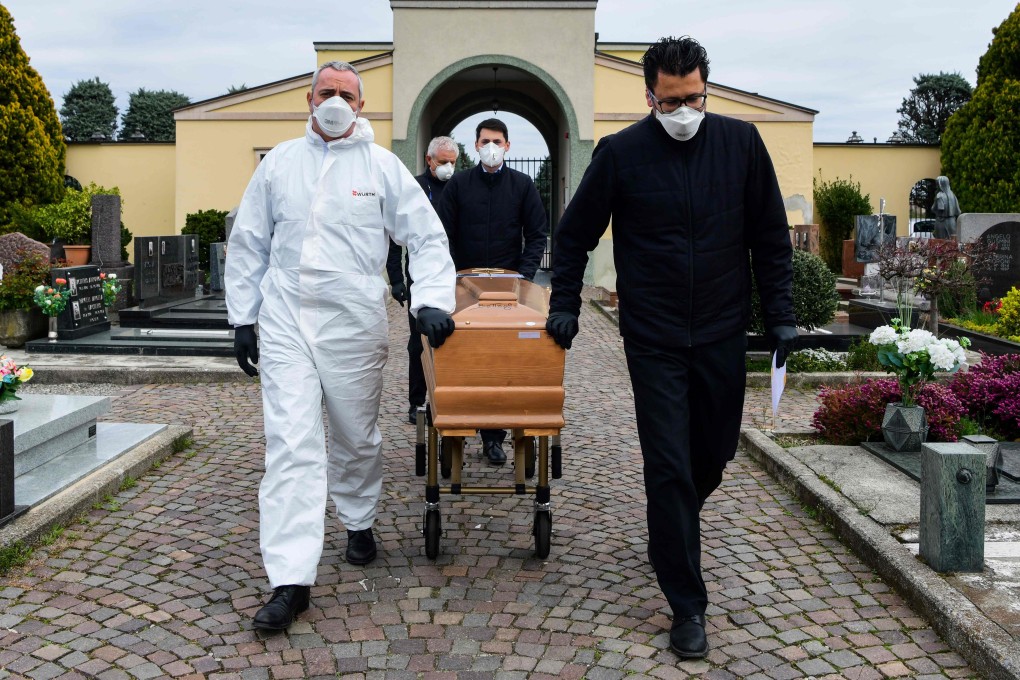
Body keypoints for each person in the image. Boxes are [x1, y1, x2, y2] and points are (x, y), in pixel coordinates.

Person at [544, 36, 797, 660]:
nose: (684, 110)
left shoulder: (741, 145)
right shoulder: (621, 153)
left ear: (706, 89)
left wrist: (783, 316)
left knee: (710, 456)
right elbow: (573, 235)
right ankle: (687, 603)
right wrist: (565, 304)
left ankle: (676, 518)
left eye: (695, 98)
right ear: (649, 95)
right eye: (671, 100)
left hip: (721, 327)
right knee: (667, 464)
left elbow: (769, 235)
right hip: (653, 335)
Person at [225, 60, 457, 631]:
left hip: (353, 322)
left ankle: (358, 517)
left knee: (356, 434)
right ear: (309, 100)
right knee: (291, 445)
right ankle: (290, 578)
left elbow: (425, 235)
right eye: (325, 91)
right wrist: (243, 317)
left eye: (345, 94)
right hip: (285, 319)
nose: (334, 100)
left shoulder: (381, 168)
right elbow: (250, 239)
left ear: (360, 106)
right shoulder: (279, 164)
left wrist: (431, 300)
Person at [435, 117, 548, 465]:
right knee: (461, 357)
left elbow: (537, 235)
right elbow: (442, 233)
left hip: (507, 285)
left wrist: (523, 276)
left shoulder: (522, 185)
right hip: (463, 284)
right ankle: (455, 429)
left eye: (497, 141)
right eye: (485, 140)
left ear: (508, 146)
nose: (491, 147)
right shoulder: (459, 185)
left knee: (500, 359)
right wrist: (451, 275)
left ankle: (494, 436)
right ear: (476, 143)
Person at [387, 136, 460, 424]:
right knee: (418, 342)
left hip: (454, 275)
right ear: (429, 160)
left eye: (453, 162)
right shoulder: (414, 187)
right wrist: (396, 279)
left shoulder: (459, 187)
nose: (448, 168)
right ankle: (416, 401)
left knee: (453, 340)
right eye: (443, 162)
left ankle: (446, 399)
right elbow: (395, 238)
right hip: (419, 279)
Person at [932, 175, 961, 240]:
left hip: (941, 222)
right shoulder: (953, 195)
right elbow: (958, 211)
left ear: (940, 185)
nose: (936, 186)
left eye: (937, 184)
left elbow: (940, 208)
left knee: (941, 242)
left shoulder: (939, 195)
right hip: (952, 222)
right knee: (953, 241)